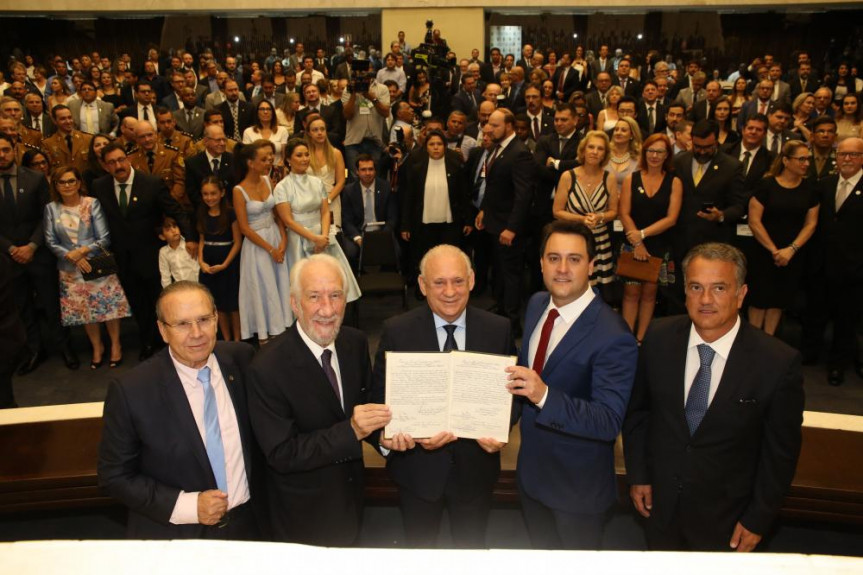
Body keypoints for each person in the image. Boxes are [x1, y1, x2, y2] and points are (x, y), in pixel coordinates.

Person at [623, 242, 804, 552]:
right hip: (660, 508)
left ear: (741, 294)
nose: (705, 300)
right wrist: (639, 475)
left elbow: (780, 455)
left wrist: (758, 518)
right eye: (696, 287)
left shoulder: (777, 362)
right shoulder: (658, 337)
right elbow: (638, 413)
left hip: (727, 521)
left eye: (719, 288)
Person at [371, 244, 515, 548]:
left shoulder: (498, 329)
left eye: (458, 281)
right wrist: (385, 439)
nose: (450, 291)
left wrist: (501, 429)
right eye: (439, 282)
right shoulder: (397, 332)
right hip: (417, 474)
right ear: (423, 285)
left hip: (476, 472)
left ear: (472, 280)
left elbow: (511, 396)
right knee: (419, 555)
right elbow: (377, 398)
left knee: (471, 552)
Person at [507, 220, 637, 549]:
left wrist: (545, 395)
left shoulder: (614, 336)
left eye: (574, 259)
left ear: (592, 266)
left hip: (576, 493)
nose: (562, 269)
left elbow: (608, 422)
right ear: (540, 263)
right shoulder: (538, 304)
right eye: (553, 258)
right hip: (531, 475)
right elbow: (527, 379)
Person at [98, 281, 262, 540]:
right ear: (163, 330)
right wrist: (186, 506)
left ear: (217, 319)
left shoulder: (242, 360)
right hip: (177, 537)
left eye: (204, 319)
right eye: (182, 324)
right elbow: (114, 476)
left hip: (250, 530)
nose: (197, 333)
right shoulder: (132, 390)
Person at [248, 254, 391, 545]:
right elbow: (282, 453)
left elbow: (363, 411)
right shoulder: (266, 367)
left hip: (351, 500)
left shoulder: (354, 343)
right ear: (294, 303)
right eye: (314, 296)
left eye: (335, 295)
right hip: (302, 515)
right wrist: (351, 431)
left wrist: (385, 440)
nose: (327, 309)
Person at [91, 141, 195, 360]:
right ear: (105, 166)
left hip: (151, 256)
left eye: (121, 159)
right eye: (111, 162)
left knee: (159, 301)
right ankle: (148, 342)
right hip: (123, 258)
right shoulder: (99, 186)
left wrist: (191, 238)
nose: (118, 165)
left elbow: (175, 210)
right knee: (138, 303)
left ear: (128, 159)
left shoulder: (151, 183)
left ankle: (167, 343)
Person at [44, 164, 130, 369]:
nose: (67, 185)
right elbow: (50, 240)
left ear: (79, 183)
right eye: (62, 182)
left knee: (108, 309)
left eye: (71, 181)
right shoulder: (51, 208)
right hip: (70, 270)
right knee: (86, 312)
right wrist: (72, 257)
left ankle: (116, 345)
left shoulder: (92, 204)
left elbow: (104, 238)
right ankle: (97, 347)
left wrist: (82, 252)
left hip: (96, 266)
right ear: (56, 185)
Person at [803, 137, 863, 386]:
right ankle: (809, 356)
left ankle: (838, 365)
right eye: (842, 154)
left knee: (845, 319)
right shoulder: (824, 185)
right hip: (821, 264)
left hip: (855, 268)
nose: (846, 159)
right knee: (815, 313)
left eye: (853, 154)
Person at [746, 141, 819, 335]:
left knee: (778, 300)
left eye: (808, 159)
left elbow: (811, 223)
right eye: (801, 159)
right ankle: (753, 344)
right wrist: (774, 250)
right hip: (764, 252)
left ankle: (769, 341)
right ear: (786, 160)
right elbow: (754, 221)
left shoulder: (810, 188)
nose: (805, 163)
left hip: (792, 254)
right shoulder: (766, 184)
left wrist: (791, 249)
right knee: (759, 300)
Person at [274, 139, 361, 302]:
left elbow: (325, 211)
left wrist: (324, 236)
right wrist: (314, 238)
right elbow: (288, 221)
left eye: (307, 154)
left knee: (330, 281)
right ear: (288, 159)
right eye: (299, 155)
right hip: (299, 239)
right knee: (305, 287)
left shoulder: (317, 182)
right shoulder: (282, 187)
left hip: (322, 236)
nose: (304, 159)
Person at [475, 109, 535, 335]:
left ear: (509, 126)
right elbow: (494, 187)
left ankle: (512, 321)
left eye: (495, 125)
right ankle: (501, 310)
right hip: (495, 221)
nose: (489, 129)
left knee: (510, 274)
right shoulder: (499, 149)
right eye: (488, 124)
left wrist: (511, 228)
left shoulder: (519, 153)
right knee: (499, 271)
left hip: (509, 227)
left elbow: (523, 195)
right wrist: (484, 211)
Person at [619, 133, 683, 343]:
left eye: (660, 152)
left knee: (649, 294)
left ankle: (641, 338)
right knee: (630, 293)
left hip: (658, 244)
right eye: (651, 151)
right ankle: (627, 338)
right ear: (644, 152)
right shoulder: (632, 178)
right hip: (632, 243)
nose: (654, 156)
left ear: (667, 155)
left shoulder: (674, 182)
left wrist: (643, 235)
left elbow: (671, 218)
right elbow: (624, 213)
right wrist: (637, 242)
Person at [232, 139, 292, 344]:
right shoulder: (238, 191)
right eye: (263, 159)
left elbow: (277, 214)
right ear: (250, 162)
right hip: (257, 246)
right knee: (263, 286)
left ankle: (282, 327)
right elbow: (244, 228)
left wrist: (283, 240)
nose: (268, 162)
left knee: (280, 283)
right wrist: (270, 249)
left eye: (269, 159)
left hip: (275, 236)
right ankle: (265, 333)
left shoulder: (268, 180)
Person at [552, 130, 618, 297]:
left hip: (600, 242)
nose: (595, 152)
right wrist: (582, 219)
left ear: (605, 154)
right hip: (573, 239)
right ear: (583, 150)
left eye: (600, 149)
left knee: (597, 292)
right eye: (591, 147)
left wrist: (600, 217)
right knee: (572, 285)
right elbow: (557, 211)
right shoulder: (568, 176)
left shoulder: (609, 178)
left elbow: (614, 211)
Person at [400, 129, 472, 278]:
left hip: (450, 224)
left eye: (439, 144)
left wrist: (468, 220)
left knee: (449, 259)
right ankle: (423, 288)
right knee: (424, 259)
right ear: (426, 146)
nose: (436, 147)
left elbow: (464, 194)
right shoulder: (416, 162)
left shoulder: (454, 161)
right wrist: (405, 225)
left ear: (445, 146)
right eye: (432, 144)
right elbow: (408, 197)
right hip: (423, 223)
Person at [197, 176, 241, 342]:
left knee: (232, 305)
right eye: (205, 194)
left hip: (228, 264)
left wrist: (225, 264)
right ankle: (226, 339)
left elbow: (237, 243)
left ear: (222, 193)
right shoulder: (201, 213)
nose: (209, 198)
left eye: (213, 193)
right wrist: (201, 262)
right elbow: (202, 240)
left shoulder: (230, 213)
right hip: (209, 265)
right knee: (218, 306)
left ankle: (237, 339)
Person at [339, 154, 398, 271]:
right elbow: (346, 221)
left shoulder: (386, 187)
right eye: (363, 170)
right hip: (359, 233)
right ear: (357, 172)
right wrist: (358, 238)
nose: (367, 173)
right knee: (350, 252)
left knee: (397, 251)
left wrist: (383, 236)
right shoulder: (348, 190)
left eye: (370, 169)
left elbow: (393, 217)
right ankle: (359, 282)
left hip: (382, 232)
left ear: (375, 171)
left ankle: (385, 280)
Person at [306, 116, 347, 229]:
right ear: (309, 133)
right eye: (315, 130)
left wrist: (328, 200)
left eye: (322, 129)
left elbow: (341, 181)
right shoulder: (304, 154)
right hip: (310, 201)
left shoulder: (336, 153)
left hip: (331, 198)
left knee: (333, 236)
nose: (320, 133)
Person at [242, 99, 289, 182]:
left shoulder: (282, 130)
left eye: (268, 109)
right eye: (262, 109)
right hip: (256, 172)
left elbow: (284, 156)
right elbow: (247, 157)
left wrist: (279, 168)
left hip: (277, 171)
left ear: (272, 112)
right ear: (257, 112)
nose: (265, 112)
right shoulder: (248, 131)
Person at [159, 216, 201, 287]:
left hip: (197, 286)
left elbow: (197, 268)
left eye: (175, 227)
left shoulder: (189, 246)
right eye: (168, 229)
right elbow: (165, 275)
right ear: (162, 237)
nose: (173, 231)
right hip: (179, 289)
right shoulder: (163, 252)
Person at [606, 117, 641, 189]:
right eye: (616, 129)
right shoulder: (605, 152)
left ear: (632, 135)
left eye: (623, 130)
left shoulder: (639, 156)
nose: (618, 133)